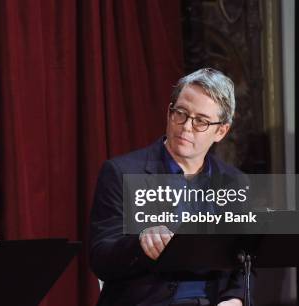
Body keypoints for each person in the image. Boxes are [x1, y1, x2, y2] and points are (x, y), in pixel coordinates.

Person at [89, 68, 249, 306]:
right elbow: (100, 256)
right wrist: (140, 243)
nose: (186, 127)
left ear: (221, 131)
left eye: (201, 122)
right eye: (181, 113)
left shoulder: (234, 182)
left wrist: (235, 298)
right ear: (169, 112)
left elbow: (244, 257)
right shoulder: (121, 172)